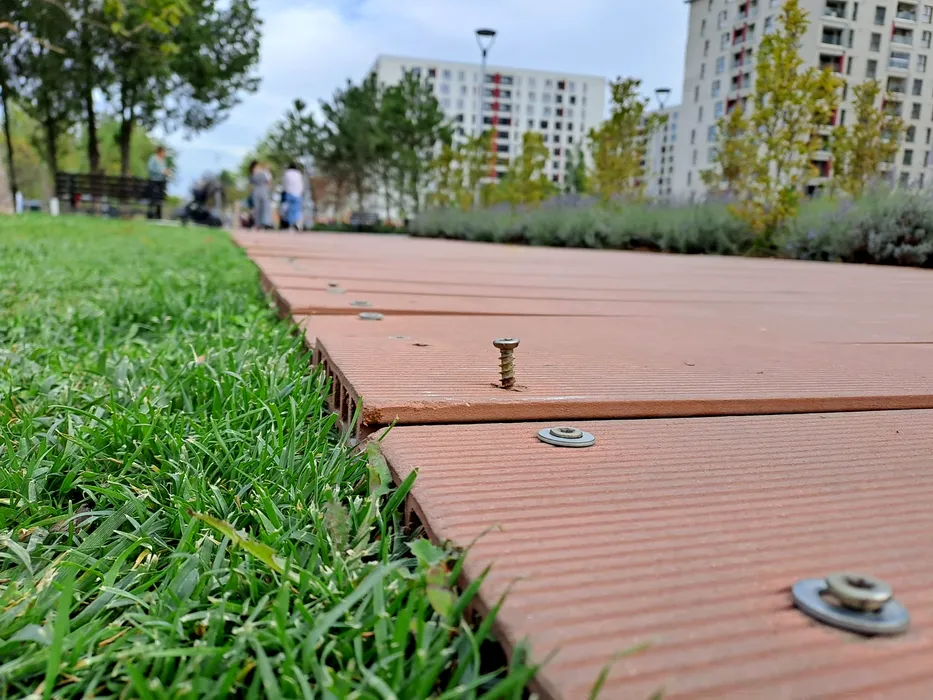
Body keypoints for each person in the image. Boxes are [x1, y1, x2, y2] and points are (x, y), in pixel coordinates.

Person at [146, 146, 171, 219]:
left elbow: (164, 170)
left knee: (161, 198)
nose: (165, 153)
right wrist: (161, 172)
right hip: (154, 181)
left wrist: (167, 172)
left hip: (162, 181)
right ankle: (150, 214)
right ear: (160, 152)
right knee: (153, 197)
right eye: (164, 152)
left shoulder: (163, 160)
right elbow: (150, 168)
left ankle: (158, 215)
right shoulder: (153, 158)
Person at [248, 159, 273, 229]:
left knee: (262, 208)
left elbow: (250, 185)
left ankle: (263, 223)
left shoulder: (257, 173)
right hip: (261, 191)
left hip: (259, 191)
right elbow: (269, 182)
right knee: (260, 208)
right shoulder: (262, 172)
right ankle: (262, 223)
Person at [280, 162, 304, 230]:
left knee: (288, 209)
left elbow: (284, 183)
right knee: (297, 210)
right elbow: (301, 184)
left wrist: (284, 191)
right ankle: (296, 223)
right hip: (298, 194)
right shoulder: (299, 173)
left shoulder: (287, 173)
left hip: (289, 193)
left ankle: (289, 224)